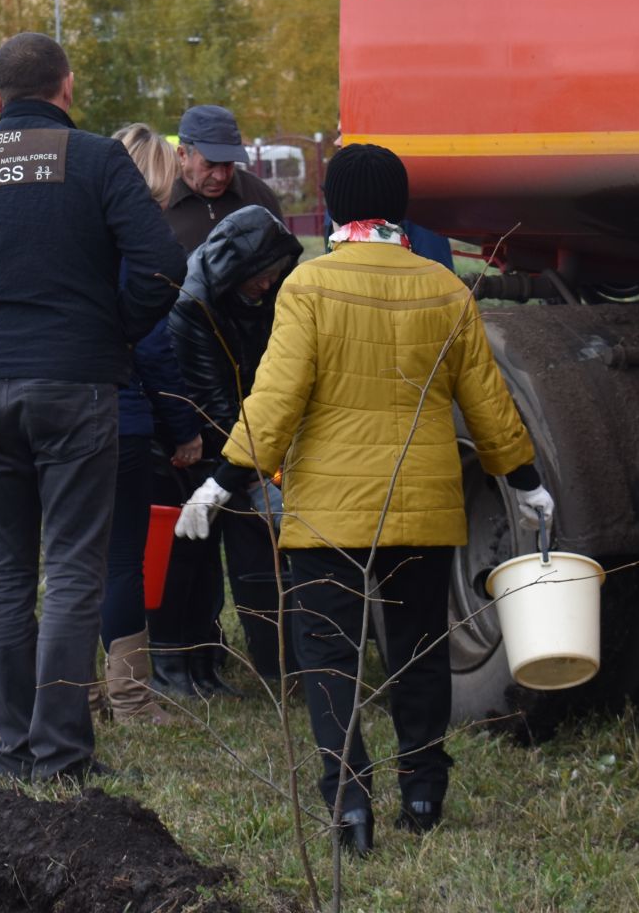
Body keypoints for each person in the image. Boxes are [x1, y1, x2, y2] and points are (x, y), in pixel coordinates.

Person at [189, 143, 553, 855]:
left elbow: (277, 401)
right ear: (400, 207)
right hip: (421, 511)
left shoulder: (309, 288)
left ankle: (351, 806)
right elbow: (489, 405)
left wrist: (222, 479)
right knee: (418, 649)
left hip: (328, 516)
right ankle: (423, 791)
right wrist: (527, 482)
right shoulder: (445, 289)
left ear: (336, 207)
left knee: (329, 659)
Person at [0, 33, 184, 783]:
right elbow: (160, 265)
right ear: (67, 86)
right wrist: (109, 332)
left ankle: (14, 748)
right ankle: (60, 753)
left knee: (6, 577)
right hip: (79, 388)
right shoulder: (95, 159)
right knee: (77, 571)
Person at [168, 203, 305, 694]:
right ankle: (196, 658)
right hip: (204, 442)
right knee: (201, 554)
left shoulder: (267, 297)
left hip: (256, 437)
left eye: (274, 275)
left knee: (259, 551)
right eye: (259, 276)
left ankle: (279, 662)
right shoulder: (194, 305)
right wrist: (248, 471)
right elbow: (214, 401)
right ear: (236, 269)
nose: (267, 285)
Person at [103, 124, 203, 722]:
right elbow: (154, 350)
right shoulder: (141, 251)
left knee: (72, 560)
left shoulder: (82, 238)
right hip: (124, 417)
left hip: (63, 414)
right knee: (121, 561)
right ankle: (131, 698)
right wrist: (184, 428)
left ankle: (78, 689)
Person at [165, 104, 284, 253]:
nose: (220, 176)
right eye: (210, 164)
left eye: (228, 164)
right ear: (182, 155)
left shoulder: (259, 196)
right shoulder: (159, 203)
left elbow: (285, 264)